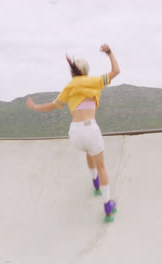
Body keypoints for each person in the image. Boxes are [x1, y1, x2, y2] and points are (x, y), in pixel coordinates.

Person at [26, 43, 120, 218]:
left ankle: (95, 184)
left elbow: (51, 106)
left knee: (88, 151)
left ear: (73, 73)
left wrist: (34, 107)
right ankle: (108, 205)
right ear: (86, 71)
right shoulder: (95, 81)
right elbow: (116, 71)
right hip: (90, 129)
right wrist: (109, 52)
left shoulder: (69, 87)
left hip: (75, 134)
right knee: (102, 166)